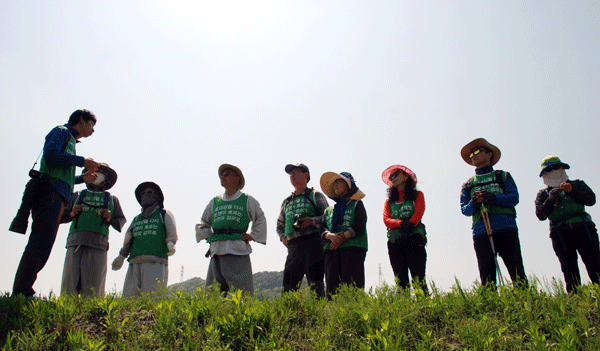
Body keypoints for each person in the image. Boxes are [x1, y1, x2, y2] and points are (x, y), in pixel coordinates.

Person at [12, 109, 99, 297]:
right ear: (82, 120)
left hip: (57, 194)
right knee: (40, 241)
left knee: (44, 243)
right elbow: (50, 155)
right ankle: (21, 292)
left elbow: (63, 175)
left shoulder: (70, 141)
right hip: (49, 192)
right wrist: (81, 161)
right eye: (92, 124)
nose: (93, 130)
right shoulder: (61, 132)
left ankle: (22, 291)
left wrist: (82, 178)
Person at [460, 138, 528, 288]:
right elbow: (465, 210)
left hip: (506, 228)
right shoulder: (468, 184)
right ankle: (491, 308)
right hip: (481, 231)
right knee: (487, 275)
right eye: (471, 154)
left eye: (477, 151)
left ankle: (527, 304)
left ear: (489, 154)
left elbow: (514, 198)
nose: (473, 155)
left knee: (517, 271)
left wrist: (493, 197)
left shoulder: (503, 176)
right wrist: (475, 202)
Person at [196, 164, 267, 295]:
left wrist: (253, 235)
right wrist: (208, 235)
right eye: (222, 175)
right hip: (217, 249)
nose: (223, 176)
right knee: (214, 292)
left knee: (240, 292)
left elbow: (260, 218)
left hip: (236, 249)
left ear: (237, 178)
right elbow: (204, 221)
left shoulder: (247, 200)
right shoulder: (215, 201)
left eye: (227, 173)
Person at [535, 156, 600, 293]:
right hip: (560, 234)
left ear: (562, 168)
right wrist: (551, 199)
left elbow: (591, 200)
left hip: (584, 229)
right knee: (569, 271)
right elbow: (541, 215)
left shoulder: (577, 184)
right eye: (549, 170)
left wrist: (572, 192)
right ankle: (576, 301)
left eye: (556, 168)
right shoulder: (543, 194)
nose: (553, 172)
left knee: (595, 266)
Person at [59, 163, 126, 296]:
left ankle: (90, 313)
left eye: (101, 172)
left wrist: (109, 218)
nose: (97, 175)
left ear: (106, 178)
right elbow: (61, 217)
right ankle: (66, 312)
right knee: (69, 283)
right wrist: (72, 213)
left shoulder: (112, 200)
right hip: (75, 242)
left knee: (94, 287)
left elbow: (120, 221)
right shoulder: (77, 195)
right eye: (94, 171)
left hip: (98, 244)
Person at [111, 182, 177, 297]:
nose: (146, 195)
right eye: (143, 193)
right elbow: (129, 238)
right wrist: (122, 256)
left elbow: (171, 232)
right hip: (134, 262)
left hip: (155, 260)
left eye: (150, 192)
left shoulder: (163, 214)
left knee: (153, 298)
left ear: (157, 196)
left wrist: (171, 243)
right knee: (129, 298)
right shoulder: (137, 219)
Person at [276, 163, 328, 297]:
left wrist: (311, 221)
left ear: (306, 175)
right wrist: (283, 238)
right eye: (290, 173)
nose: (292, 175)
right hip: (293, 247)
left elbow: (328, 218)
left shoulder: (315, 195)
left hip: (313, 244)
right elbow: (279, 224)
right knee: (288, 288)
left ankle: (319, 316)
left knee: (316, 287)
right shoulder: (287, 201)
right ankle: (289, 317)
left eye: (296, 171)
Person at [319, 171, 367, 298]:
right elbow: (321, 228)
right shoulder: (328, 211)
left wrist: (341, 237)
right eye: (334, 182)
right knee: (332, 290)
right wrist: (330, 236)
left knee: (353, 289)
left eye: (339, 181)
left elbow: (360, 225)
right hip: (332, 252)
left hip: (353, 251)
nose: (335, 184)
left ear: (348, 185)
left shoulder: (357, 204)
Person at [381, 165, 428, 294]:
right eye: (391, 177)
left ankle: (424, 307)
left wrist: (409, 227)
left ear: (406, 176)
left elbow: (418, 213)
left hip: (414, 237)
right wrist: (401, 224)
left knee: (418, 276)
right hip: (395, 241)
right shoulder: (389, 202)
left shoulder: (418, 195)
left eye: (396, 174)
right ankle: (404, 306)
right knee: (400, 278)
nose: (393, 178)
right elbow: (386, 220)